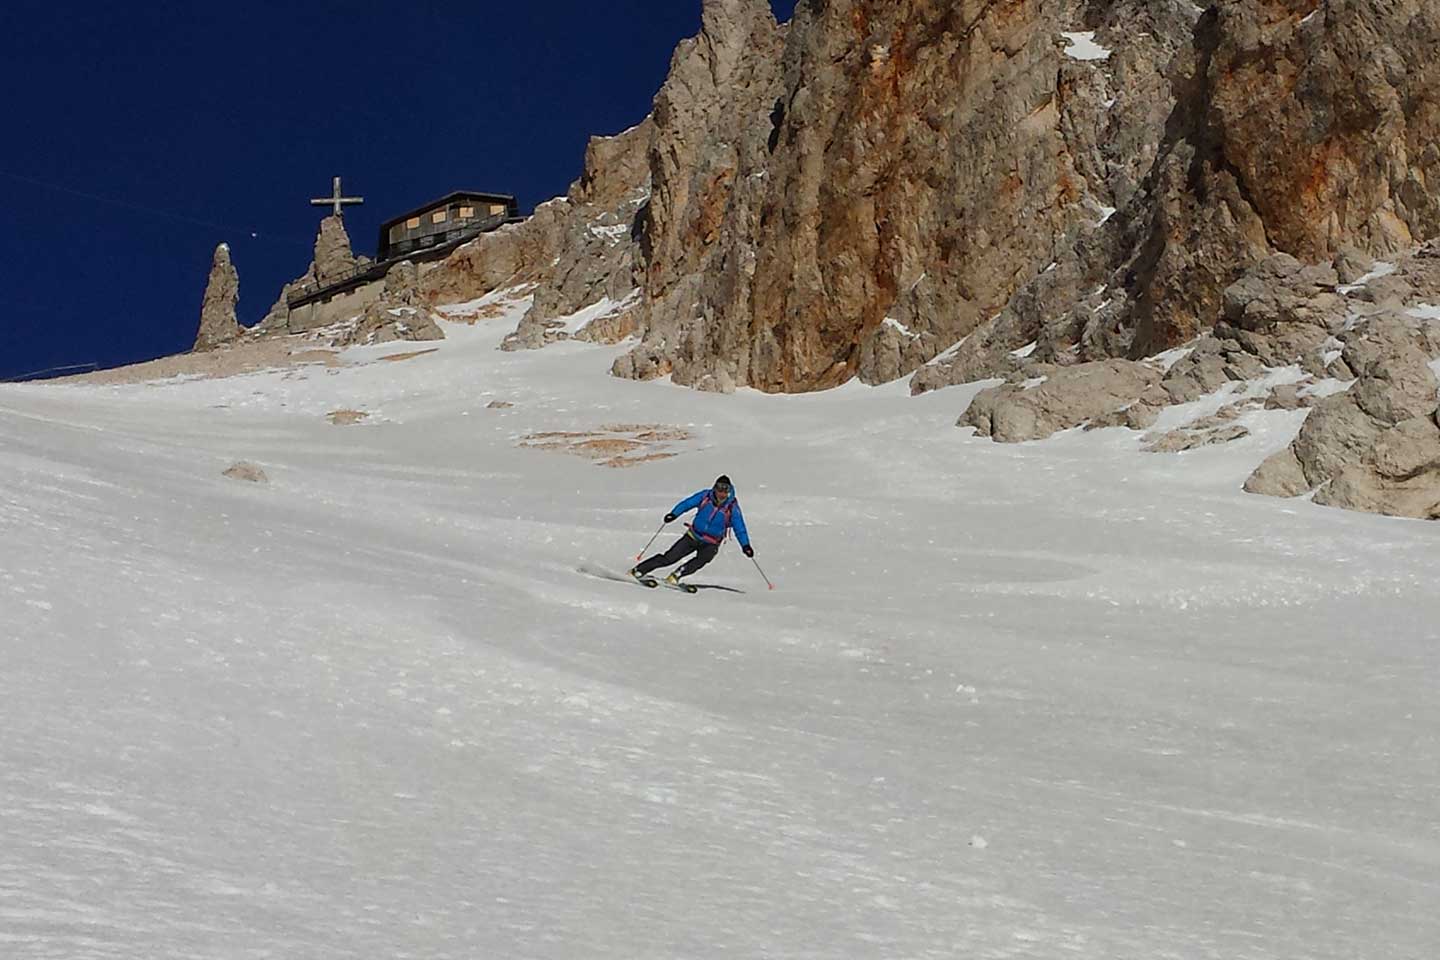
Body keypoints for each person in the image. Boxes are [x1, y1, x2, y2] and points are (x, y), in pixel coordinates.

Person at [631, 475, 754, 584]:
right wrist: (674, 514)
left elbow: (740, 528)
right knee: (669, 558)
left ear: (729, 491)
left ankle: (677, 574)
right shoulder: (706, 496)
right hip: (693, 536)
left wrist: (745, 546)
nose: (721, 493)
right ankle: (639, 570)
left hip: (711, 543)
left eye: (725, 489)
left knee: (702, 560)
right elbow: (687, 503)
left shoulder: (732, 508)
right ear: (715, 488)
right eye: (719, 488)